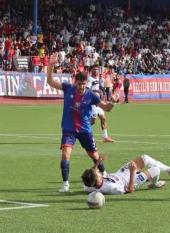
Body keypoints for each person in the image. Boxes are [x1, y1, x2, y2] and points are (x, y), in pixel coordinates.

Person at [46, 54, 118, 194]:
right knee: (65, 155)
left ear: (86, 83)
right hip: (69, 130)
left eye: (84, 84)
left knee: (95, 157)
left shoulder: (91, 95)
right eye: (79, 84)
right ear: (75, 82)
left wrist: (114, 101)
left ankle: (106, 176)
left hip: (85, 130)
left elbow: (107, 108)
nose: (81, 86)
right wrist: (50, 65)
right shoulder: (68, 88)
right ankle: (65, 184)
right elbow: (50, 81)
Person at [82, 154, 170, 195]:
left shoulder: (88, 184)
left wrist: (97, 162)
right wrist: (132, 172)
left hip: (120, 174)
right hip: (129, 181)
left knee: (144, 158)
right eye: (97, 173)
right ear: (98, 181)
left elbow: (90, 176)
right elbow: (129, 190)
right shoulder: (111, 188)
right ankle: (153, 184)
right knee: (156, 170)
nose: (98, 171)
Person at [87, 66, 114, 143]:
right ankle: (82, 132)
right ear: (91, 70)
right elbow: (87, 89)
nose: (96, 71)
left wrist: (102, 96)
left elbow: (102, 89)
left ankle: (105, 137)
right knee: (92, 121)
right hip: (93, 102)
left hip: (99, 101)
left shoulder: (99, 79)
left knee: (103, 118)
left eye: (97, 69)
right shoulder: (90, 79)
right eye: (94, 69)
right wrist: (97, 91)